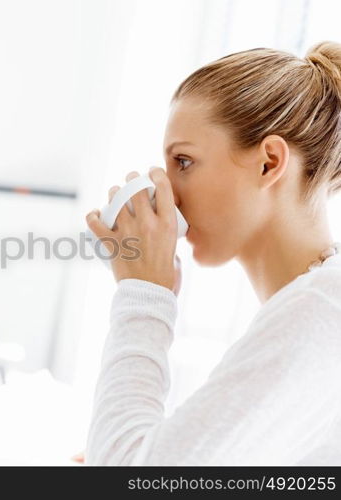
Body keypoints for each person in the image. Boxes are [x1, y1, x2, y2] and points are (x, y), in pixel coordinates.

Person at [83, 41, 341, 465]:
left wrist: (144, 295)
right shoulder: (316, 304)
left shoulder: (319, 308)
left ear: (269, 163)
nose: (167, 194)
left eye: (183, 162)